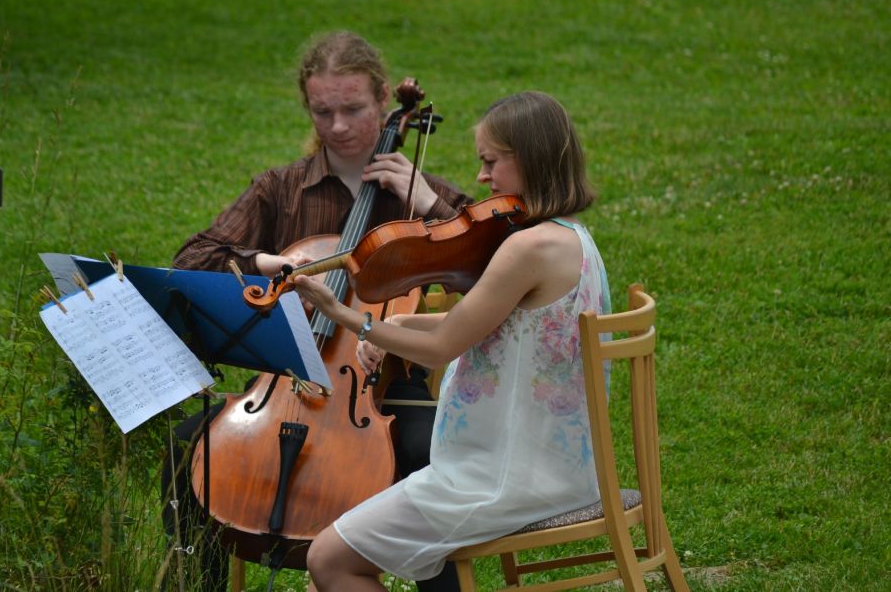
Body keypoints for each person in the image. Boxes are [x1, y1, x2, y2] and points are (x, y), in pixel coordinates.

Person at [163, 30, 472, 591]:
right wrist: (269, 263)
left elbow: (501, 255)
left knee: (428, 459)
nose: (336, 127)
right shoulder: (281, 191)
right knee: (189, 445)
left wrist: (428, 201)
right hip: (282, 384)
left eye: (352, 109)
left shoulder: (416, 195)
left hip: (387, 390)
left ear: (383, 100)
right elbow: (193, 258)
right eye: (322, 111)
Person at [293, 91, 611, 591]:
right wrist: (390, 334)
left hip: (504, 478)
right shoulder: (569, 238)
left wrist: (347, 316)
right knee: (326, 581)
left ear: (528, 158)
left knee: (327, 560)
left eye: (490, 161)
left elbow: (444, 346)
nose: (481, 178)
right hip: (547, 466)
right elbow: (473, 327)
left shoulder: (527, 248)